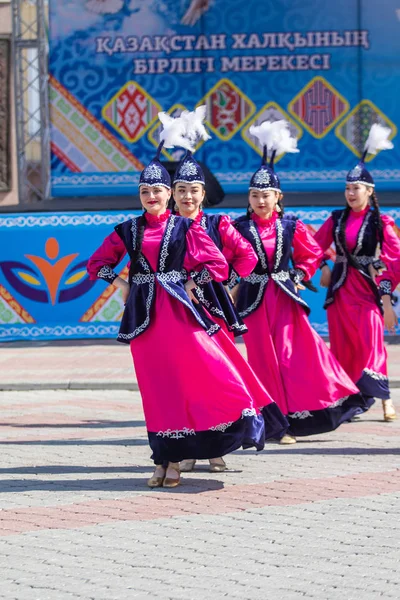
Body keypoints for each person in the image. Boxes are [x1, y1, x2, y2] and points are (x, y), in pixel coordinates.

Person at [87, 113, 287, 488]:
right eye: (144, 192)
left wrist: (195, 282)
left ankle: (208, 443)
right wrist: (121, 283)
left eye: (158, 191)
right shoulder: (128, 229)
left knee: (204, 373)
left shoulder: (184, 227)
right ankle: (165, 458)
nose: (151, 197)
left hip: (181, 314)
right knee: (157, 387)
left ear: (169, 194)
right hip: (144, 319)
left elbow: (215, 262)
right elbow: (96, 264)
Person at [232, 120, 366, 443]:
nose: (260, 201)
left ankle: (308, 412)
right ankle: (274, 424)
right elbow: (226, 260)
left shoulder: (290, 225)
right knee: (262, 359)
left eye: (266, 195)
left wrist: (300, 275)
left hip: (284, 297)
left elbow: (310, 255)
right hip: (252, 299)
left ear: (278, 197)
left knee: (295, 357)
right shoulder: (236, 227)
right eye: (254, 195)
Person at [171, 145, 259, 472]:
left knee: (214, 378)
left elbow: (247, 256)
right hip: (175, 313)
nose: (187, 196)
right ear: (172, 194)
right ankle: (190, 448)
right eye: (181, 190)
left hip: (211, 314)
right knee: (183, 381)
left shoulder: (218, 225)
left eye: (193, 190)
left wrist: (228, 284)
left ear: (203, 194)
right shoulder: (162, 228)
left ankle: (216, 448)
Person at [314, 124, 400, 422]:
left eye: (356, 188)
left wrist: (387, 299)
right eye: (348, 188)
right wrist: (324, 265)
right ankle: (352, 399)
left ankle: (385, 397)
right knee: (344, 348)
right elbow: (311, 246)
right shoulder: (337, 218)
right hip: (339, 291)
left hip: (366, 291)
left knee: (373, 343)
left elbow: (394, 257)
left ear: (369, 191)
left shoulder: (381, 221)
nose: (351, 193)